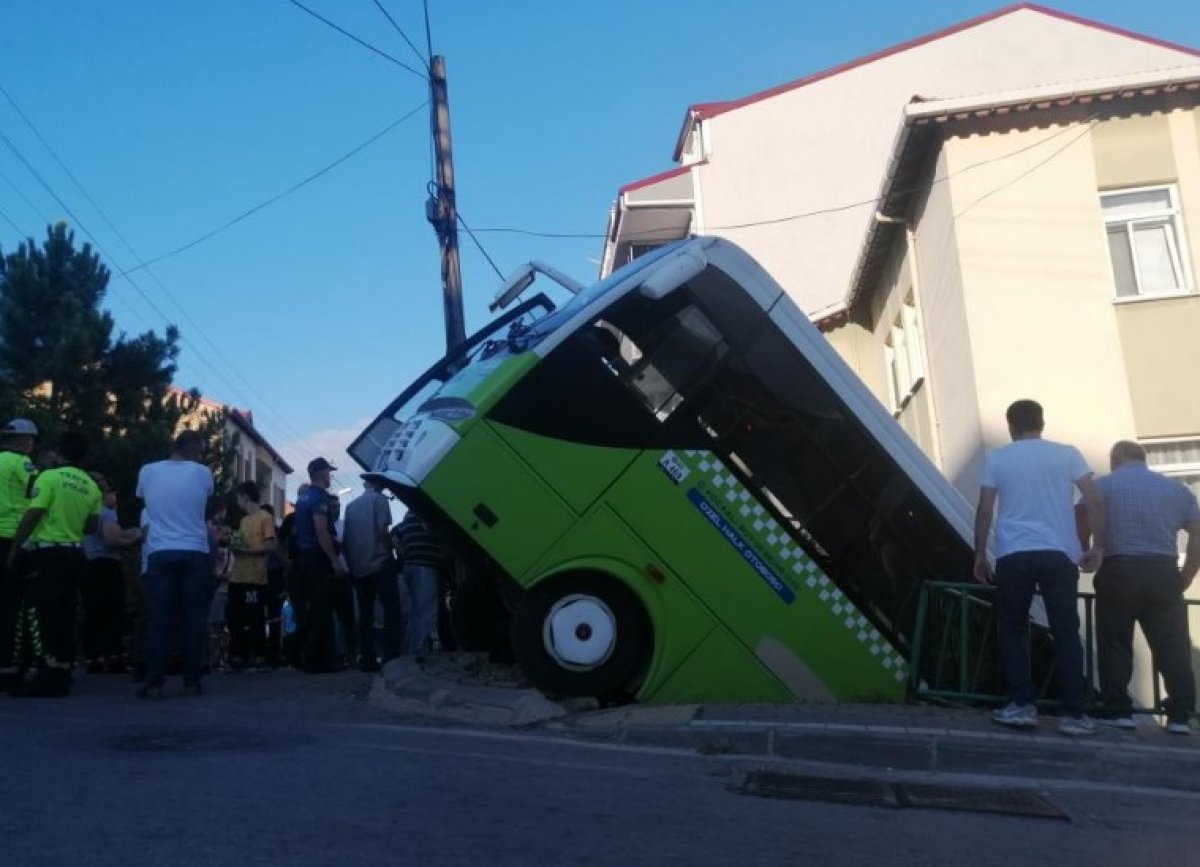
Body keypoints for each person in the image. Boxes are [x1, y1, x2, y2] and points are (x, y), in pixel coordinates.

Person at [973, 399, 1105, 736]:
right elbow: (1093, 498)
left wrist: (979, 555)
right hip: (1060, 554)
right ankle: (1073, 714)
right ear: (1041, 423)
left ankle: (1022, 706)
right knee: (1065, 632)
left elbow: (985, 510)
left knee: (1013, 628)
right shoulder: (1068, 454)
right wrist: (1097, 546)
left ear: (1011, 426)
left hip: (1013, 553)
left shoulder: (998, 458)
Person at [1089, 441, 1200, 735]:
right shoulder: (1176, 490)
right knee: (1172, 646)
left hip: (1119, 570)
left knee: (1115, 643)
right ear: (1144, 459)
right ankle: (1180, 715)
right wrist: (1187, 574)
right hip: (1163, 572)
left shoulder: (1103, 486)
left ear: (1115, 460)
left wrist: (1089, 551)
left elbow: (1082, 515)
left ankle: (1118, 711)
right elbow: (1197, 533)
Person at [4, 432, 101, 697]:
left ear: (59, 452)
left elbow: (33, 512)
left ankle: (43, 675)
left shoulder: (49, 477)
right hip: (75, 554)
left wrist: (16, 547)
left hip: (46, 554)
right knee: (65, 615)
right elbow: (92, 526)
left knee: (39, 614)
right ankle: (62, 671)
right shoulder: (91, 486)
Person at [136, 430, 214, 698]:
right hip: (194, 550)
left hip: (159, 550)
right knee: (193, 619)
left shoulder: (147, 471)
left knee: (159, 619)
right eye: (201, 451)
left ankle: (155, 681)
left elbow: (146, 501)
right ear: (193, 449)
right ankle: (192, 681)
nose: (201, 456)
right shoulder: (203, 473)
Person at [81, 473, 142, 674]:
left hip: (89, 562)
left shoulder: (87, 511)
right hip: (107, 565)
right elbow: (111, 539)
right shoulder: (107, 512)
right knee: (113, 611)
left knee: (93, 611)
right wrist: (134, 540)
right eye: (112, 491)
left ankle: (93, 657)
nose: (115, 496)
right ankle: (114, 656)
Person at [291, 458, 346, 672]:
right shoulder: (320, 498)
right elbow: (321, 530)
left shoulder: (303, 498)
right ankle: (318, 660)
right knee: (322, 610)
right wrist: (334, 560)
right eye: (328, 472)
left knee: (310, 610)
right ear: (321, 473)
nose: (330, 476)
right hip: (317, 559)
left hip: (303, 559)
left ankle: (301, 653)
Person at [343, 478, 403, 671]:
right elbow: (382, 532)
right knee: (391, 610)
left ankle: (367, 657)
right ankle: (391, 655)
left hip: (359, 568)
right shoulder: (380, 501)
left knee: (365, 614)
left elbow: (347, 539)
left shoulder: (350, 507)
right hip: (380, 563)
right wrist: (391, 552)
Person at [0, 418, 38, 688]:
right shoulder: (20, 463)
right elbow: (35, 493)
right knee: (14, 603)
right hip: (15, 536)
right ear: (25, 441)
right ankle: (10, 663)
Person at [228, 481, 276, 671]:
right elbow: (240, 544)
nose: (238, 502)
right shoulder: (243, 521)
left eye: (238, 498)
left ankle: (259, 656)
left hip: (255, 577)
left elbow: (270, 545)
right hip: (237, 576)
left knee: (255, 618)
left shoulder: (265, 517)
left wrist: (248, 552)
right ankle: (238, 656)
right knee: (236, 618)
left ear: (245, 496)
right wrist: (231, 539)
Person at [394, 508, 445, 655]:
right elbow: (430, 529)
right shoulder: (424, 511)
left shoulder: (409, 514)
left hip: (410, 565)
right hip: (425, 565)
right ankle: (420, 650)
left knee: (415, 611)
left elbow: (395, 535)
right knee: (426, 609)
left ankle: (413, 648)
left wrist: (404, 551)